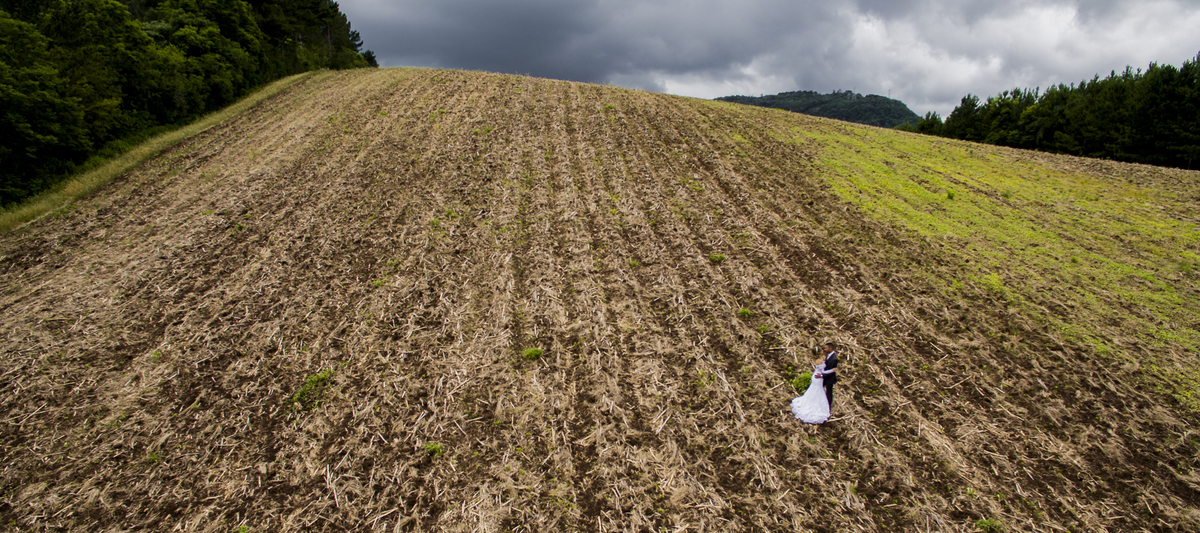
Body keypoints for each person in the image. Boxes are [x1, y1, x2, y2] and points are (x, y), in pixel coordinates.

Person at [790, 360, 829, 424]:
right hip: (818, 379)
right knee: (816, 394)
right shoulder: (820, 365)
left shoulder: (820, 365)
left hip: (817, 378)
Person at [815, 342, 838, 412]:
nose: (825, 349)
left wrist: (822, 375)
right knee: (819, 390)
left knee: (829, 393)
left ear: (830, 348)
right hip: (823, 376)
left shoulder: (834, 358)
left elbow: (831, 372)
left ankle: (828, 407)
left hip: (829, 378)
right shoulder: (826, 355)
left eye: (826, 348)